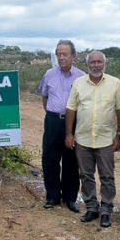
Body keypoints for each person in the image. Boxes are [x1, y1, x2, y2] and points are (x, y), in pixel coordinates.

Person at [64, 51, 120, 228]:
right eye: (93, 62)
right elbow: (71, 109)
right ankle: (91, 207)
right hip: (82, 138)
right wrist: (69, 134)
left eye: (99, 62)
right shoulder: (78, 83)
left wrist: (119, 134)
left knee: (107, 176)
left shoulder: (115, 83)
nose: (96, 65)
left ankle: (106, 210)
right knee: (86, 175)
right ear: (87, 64)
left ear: (104, 64)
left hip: (106, 139)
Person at [39, 39, 85, 212]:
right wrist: (54, 114)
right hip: (52, 121)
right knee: (49, 159)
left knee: (71, 161)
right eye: (59, 54)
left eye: (65, 54)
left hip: (73, 122)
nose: (61, 57)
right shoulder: (49, 74)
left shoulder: (81, 76)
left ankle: (70, 198)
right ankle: (52, 196)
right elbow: (44, 96)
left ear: (73, 56)